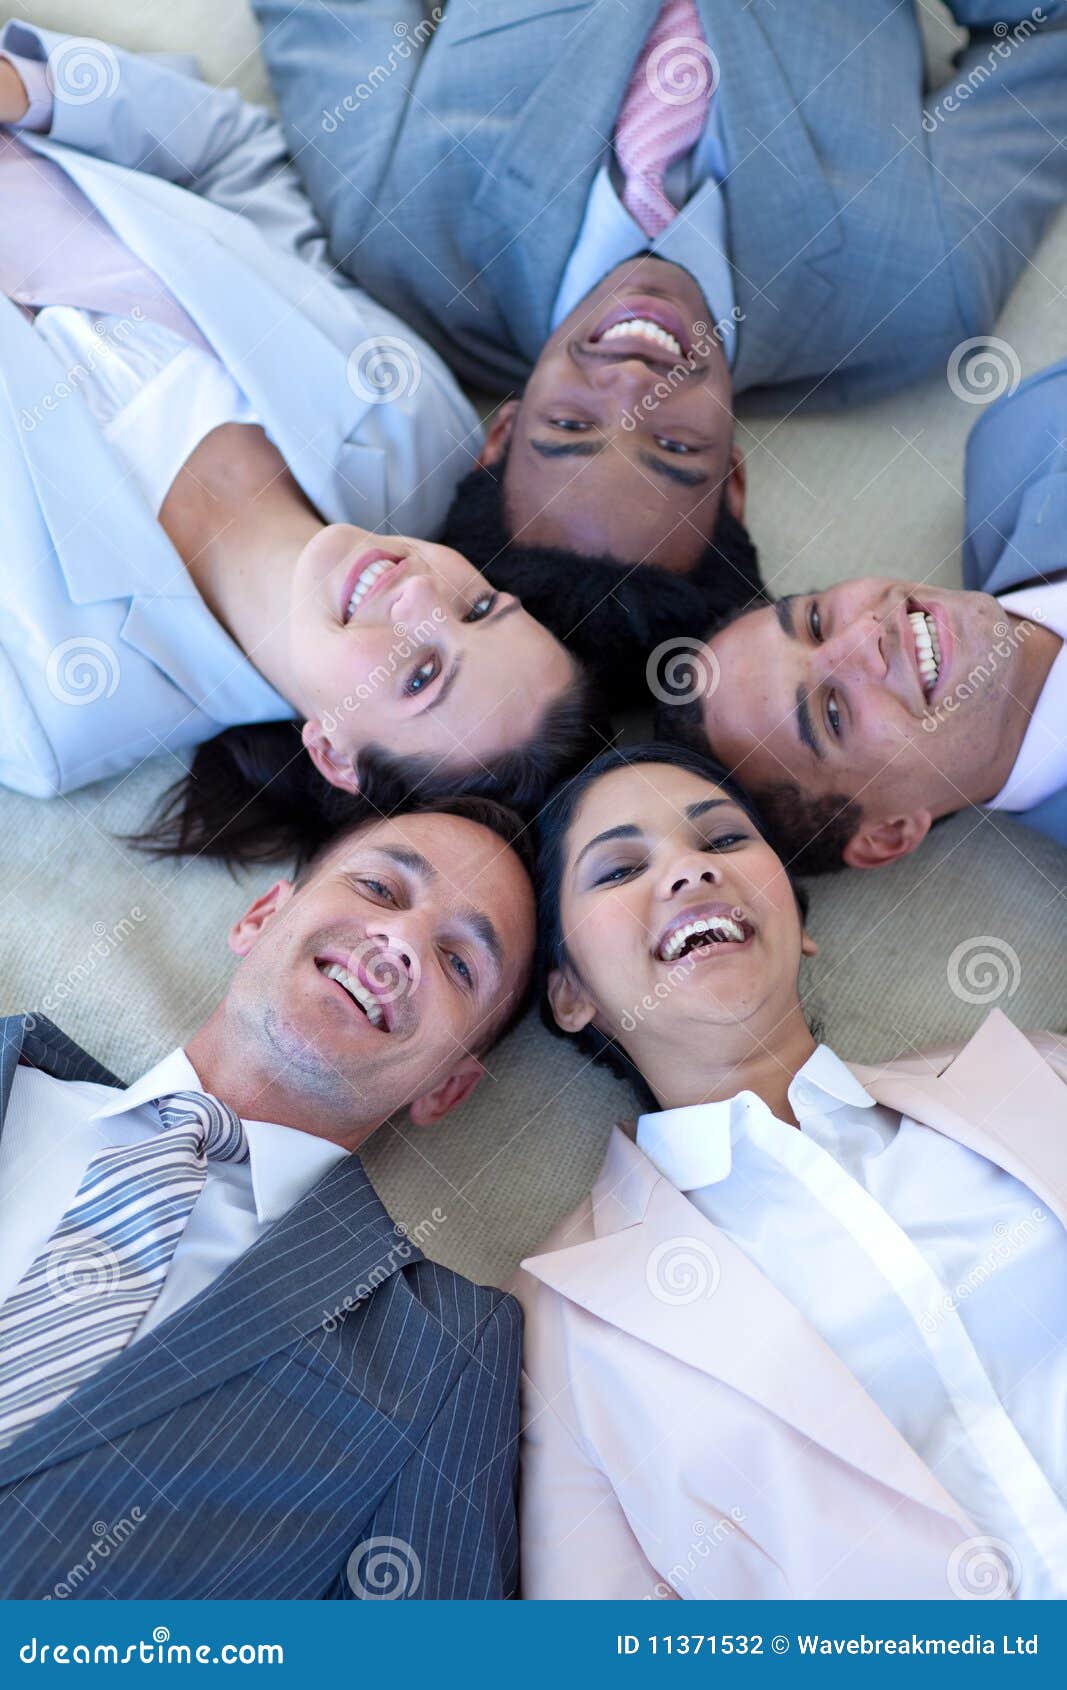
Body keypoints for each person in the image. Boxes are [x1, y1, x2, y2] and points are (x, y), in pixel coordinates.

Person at [252, 0, 1067, 683]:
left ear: (499, 432)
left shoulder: (400, 235)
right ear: (732, 477)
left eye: (569, 428)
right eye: (673, 444)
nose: (630, 381)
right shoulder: (918, 292)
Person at [515, 743, 1067, 1600]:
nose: (689, 871)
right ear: (569, 995)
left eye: (724, 841)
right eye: (620, 868)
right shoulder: (560, 1320)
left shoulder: (1035, 1075)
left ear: (799, 924)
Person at [0, 22, 591, 813]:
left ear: (333, 752)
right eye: (479, 607)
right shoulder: (410, 421)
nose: (419, 596)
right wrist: (29, 88)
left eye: (419, 676)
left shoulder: (55, 713)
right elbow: (233, 158)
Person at [0, 791, 536, 1599]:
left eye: (460, 962)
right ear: (258, 918)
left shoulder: (443, 1356)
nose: (398, 940)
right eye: (380, 890)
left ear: (447, 1089)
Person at [656, 358, 1067, 869]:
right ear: (888, 833)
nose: (864, 636)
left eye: (814, 622)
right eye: (830, 714)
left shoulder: (1026, 434)